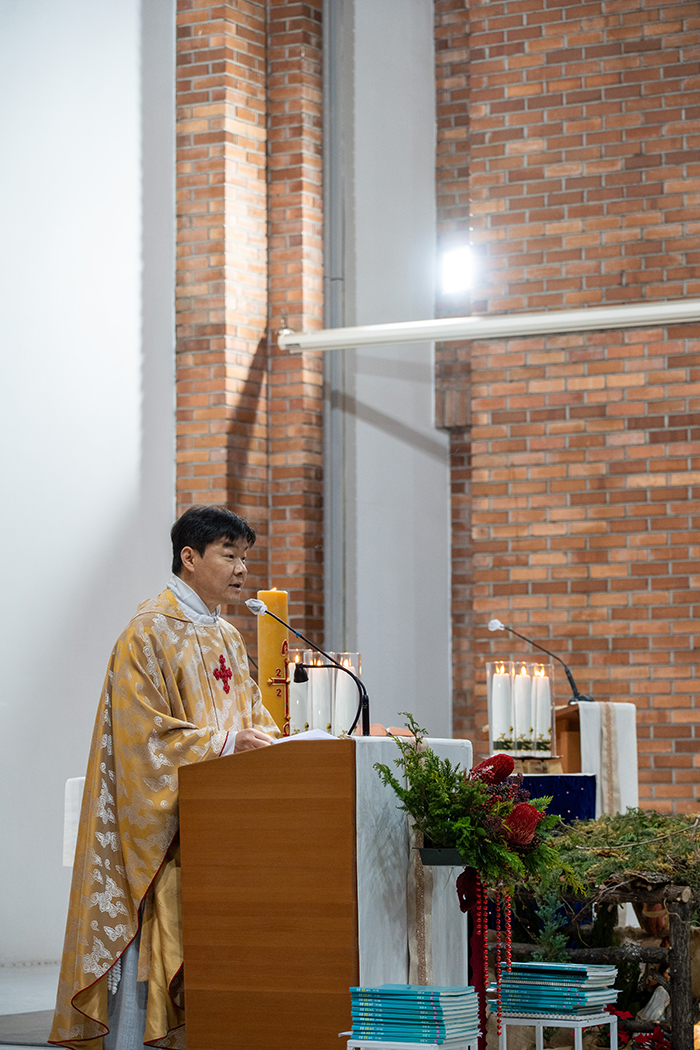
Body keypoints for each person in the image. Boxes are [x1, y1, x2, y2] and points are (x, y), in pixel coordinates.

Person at [50, 506, 278, 1050]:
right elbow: (141, 739)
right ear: (189, 557)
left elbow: (254, 716)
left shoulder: (228, 637)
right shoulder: (146, 633)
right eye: (229, 554)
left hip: (221, 833)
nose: (242, 569)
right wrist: (224, 744)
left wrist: (279, 745)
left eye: (245, 557)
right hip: (165, 838)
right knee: (149, 972)